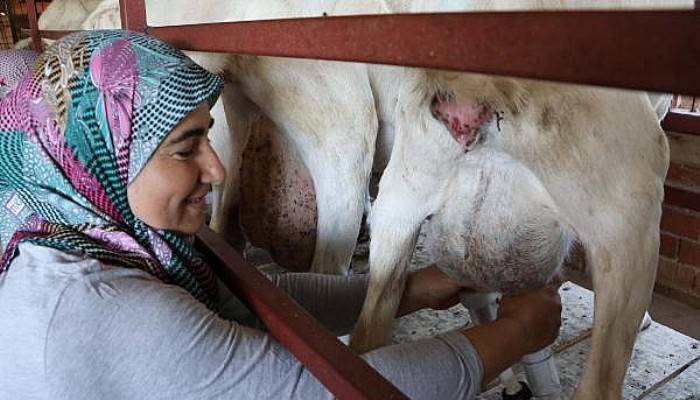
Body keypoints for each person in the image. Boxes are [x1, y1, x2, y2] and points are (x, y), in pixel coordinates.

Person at [0, 30, 561, 399]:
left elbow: (248, 302)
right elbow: (333, 392)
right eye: (186, 146)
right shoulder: (105, 312)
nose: (218, 171)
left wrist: (415, 286)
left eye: (208, 138)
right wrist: (516, 332)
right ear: (104, 157)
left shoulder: (88, 238)